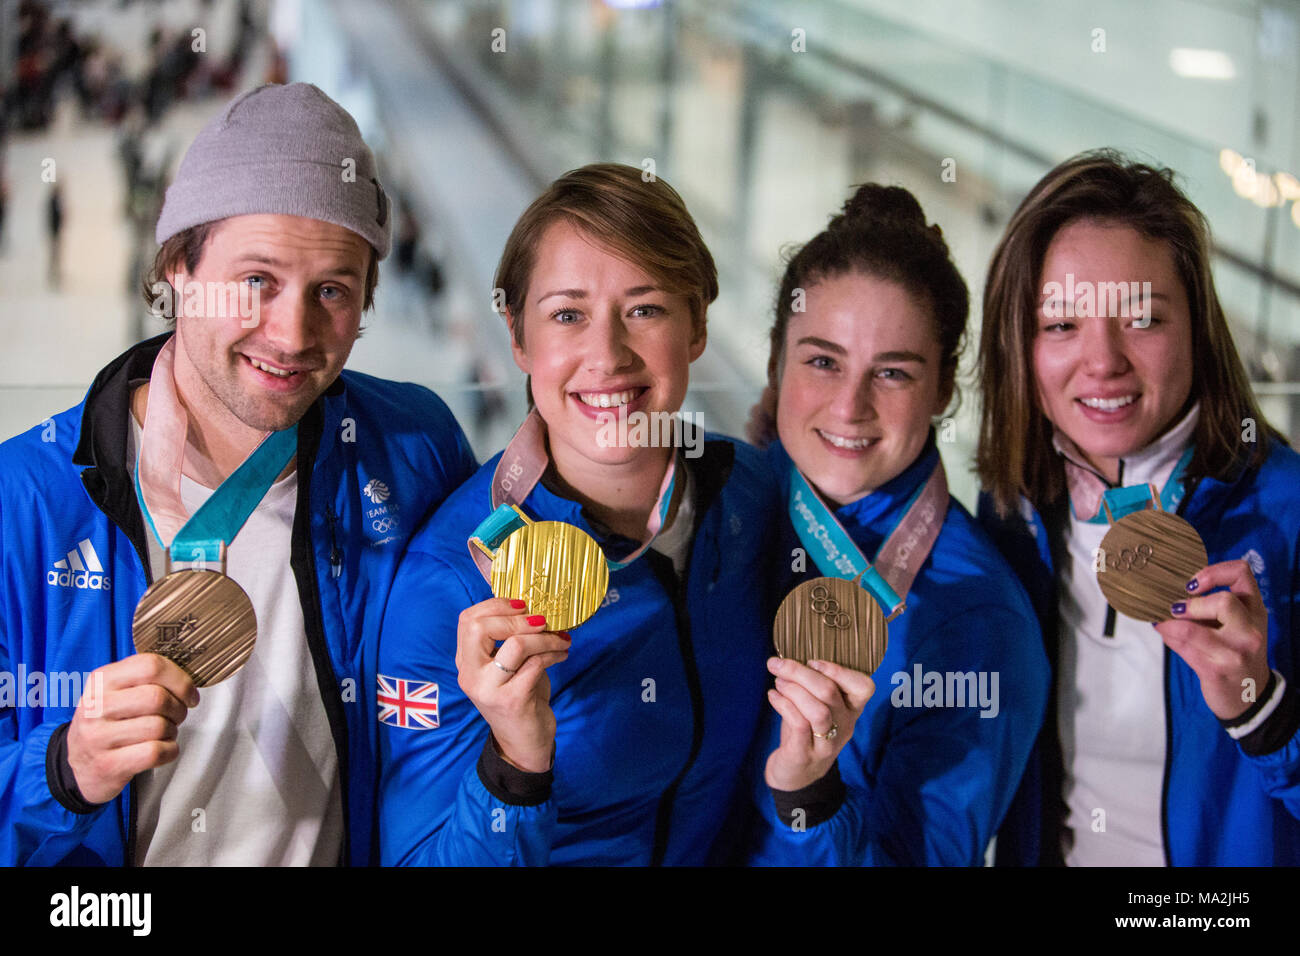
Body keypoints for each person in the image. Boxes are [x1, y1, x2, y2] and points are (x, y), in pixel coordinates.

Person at [0, 83, 477, 866]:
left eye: (332, 291)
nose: (291, 334)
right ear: (179, 266)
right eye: (256, 280)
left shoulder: (412, 449)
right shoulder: (25, 503)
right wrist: (62, 771)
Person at [376, 163, 779, 865]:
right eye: (568, 315)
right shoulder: (451, 583)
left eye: (646, 309)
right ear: (518, 337)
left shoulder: (747, 493)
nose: (608, 354)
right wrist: (515, 769)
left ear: (698, 328)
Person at [976, 150, 1300, 866]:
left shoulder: (1287, 516)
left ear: (1197, 329)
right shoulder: (1012, 513)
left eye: (1142, 319)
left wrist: (1264, 713)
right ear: (1019, 344)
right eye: (1061, 325)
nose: (1104, 361)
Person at [743, 184, 1049, 865]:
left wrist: (809, 799)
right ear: (775, 362)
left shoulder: (975, 621)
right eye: (823, 361)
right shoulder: (724, 512)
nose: (849, 407)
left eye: (893, 374)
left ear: (943, 389)